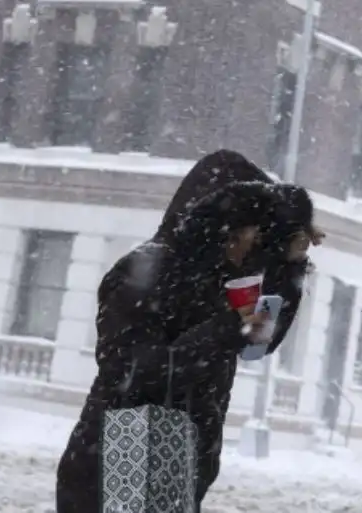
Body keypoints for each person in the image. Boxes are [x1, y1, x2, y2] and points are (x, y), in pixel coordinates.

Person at [56, 151, 320, 513]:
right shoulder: (146, 269)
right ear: (226, 223)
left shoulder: (227, 279)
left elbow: (258, 344)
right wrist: (228, 326)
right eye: (254, 232)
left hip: (179, 462)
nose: (255, 244)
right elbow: (135, 373)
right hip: (121, 457)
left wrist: (289, 267)